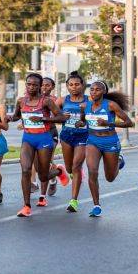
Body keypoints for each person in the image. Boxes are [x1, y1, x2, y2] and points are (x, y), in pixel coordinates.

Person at [8, 73, 67, 217]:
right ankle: (26, 206)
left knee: (43, 175)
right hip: (28, 139)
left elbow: (61, 117)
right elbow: (17, 116)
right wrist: (9, 118)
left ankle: (59, 171)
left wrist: (44, 119)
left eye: (35, 84)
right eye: (29, 84)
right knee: (26, 170)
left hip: (44, 139)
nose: (31, 87)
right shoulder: (21, 101)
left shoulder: (46, 101)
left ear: (40, 86)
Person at [76, 81, 133, 217]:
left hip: (110, 141)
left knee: (110, 177)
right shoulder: (84, 106)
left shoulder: (111, 105)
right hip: (92, 141)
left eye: (97, 90)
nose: (94, 92)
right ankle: (96, 205)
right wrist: (81, 123)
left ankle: (119, 161)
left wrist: (108, 123)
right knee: (92, 171)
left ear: (103, 92)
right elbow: (84, 120)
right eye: (92, 90)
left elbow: (129, 122)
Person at [55, 71, 89, 212]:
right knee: (70, 168)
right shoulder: (62, 100)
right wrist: (61, 115)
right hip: (67, 136)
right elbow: (52, 115)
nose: (74, 87)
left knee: (76, 167)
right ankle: (64, 171)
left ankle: (73, 201)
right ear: (67, 86)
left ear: (82, 85)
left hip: (83, 136)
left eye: (77, 84)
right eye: (71, 85)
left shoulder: (89, 100)